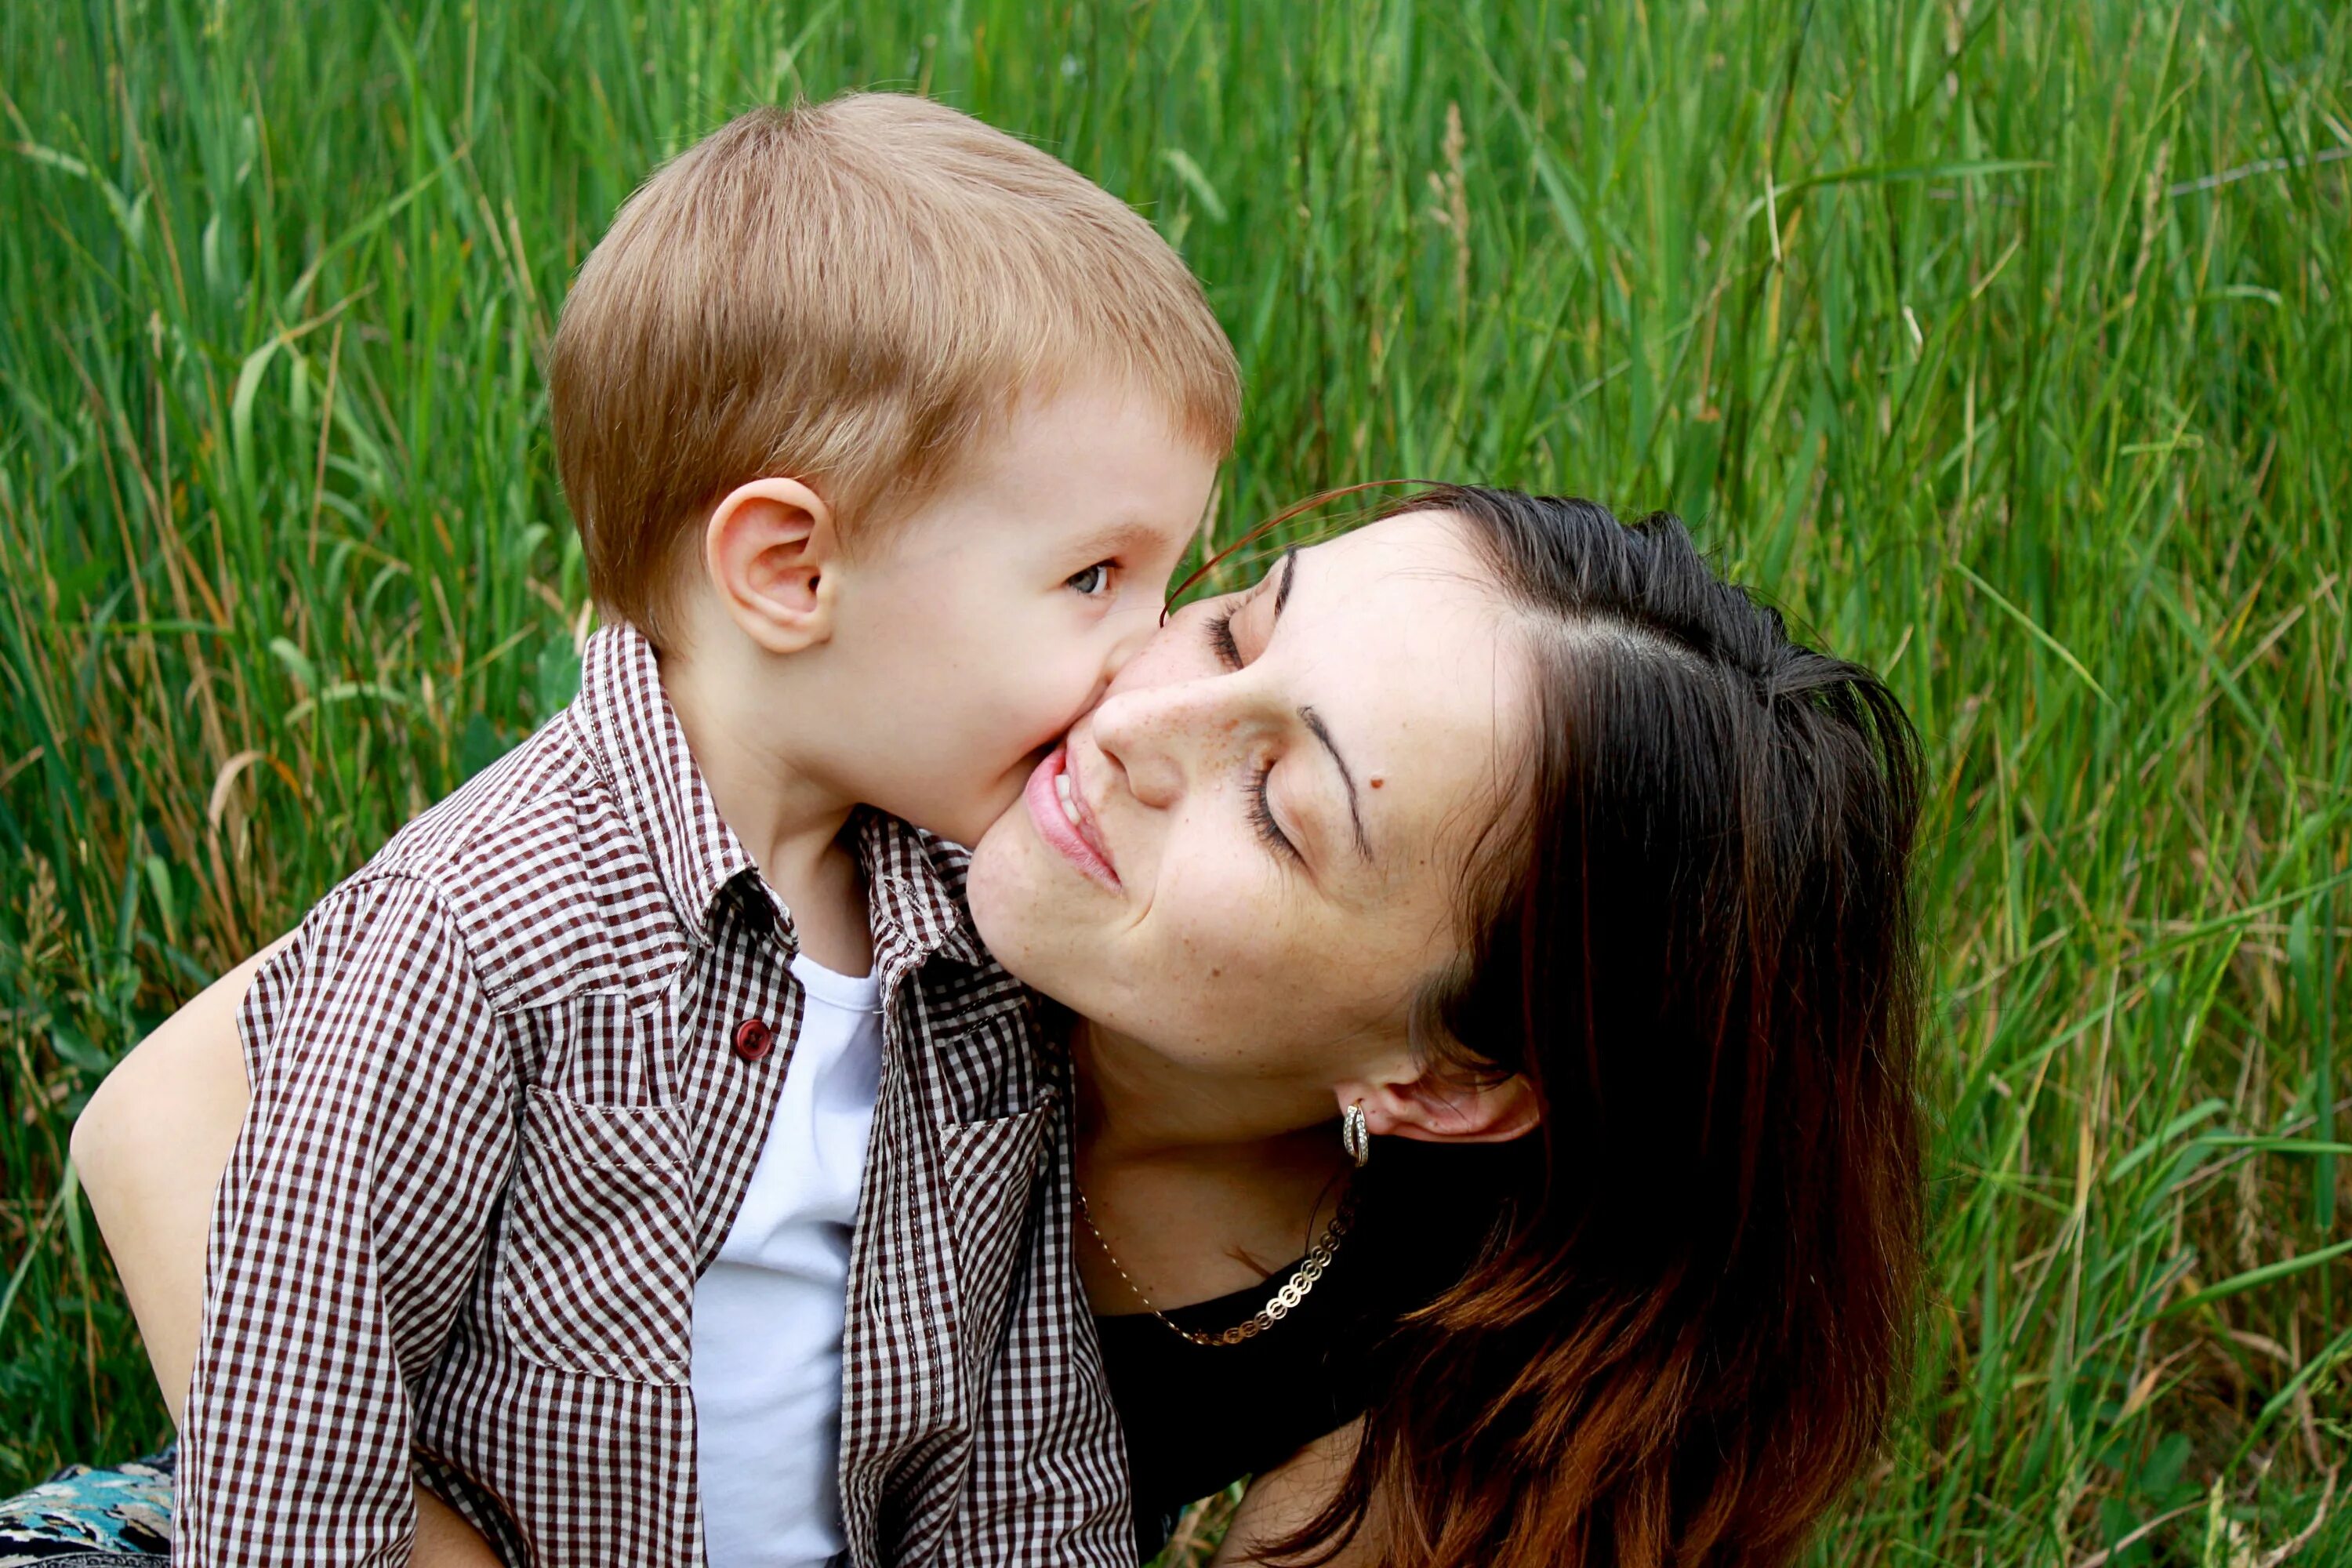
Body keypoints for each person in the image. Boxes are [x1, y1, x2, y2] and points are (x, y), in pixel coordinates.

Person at [63, 485, 1926, 1568]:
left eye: (1281, 805)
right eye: (1235, 629)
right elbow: (163, 1126)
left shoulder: (1420, 1344)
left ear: (1440, 1078)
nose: (1129, 732)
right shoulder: (876, 783)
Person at [53, 89, 1242, 1568]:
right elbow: (305, 1435)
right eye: (1092, 579)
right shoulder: (479, 937)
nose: (1147, 649)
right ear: (792, 570)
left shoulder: (971, 940)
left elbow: (1021, 1427)